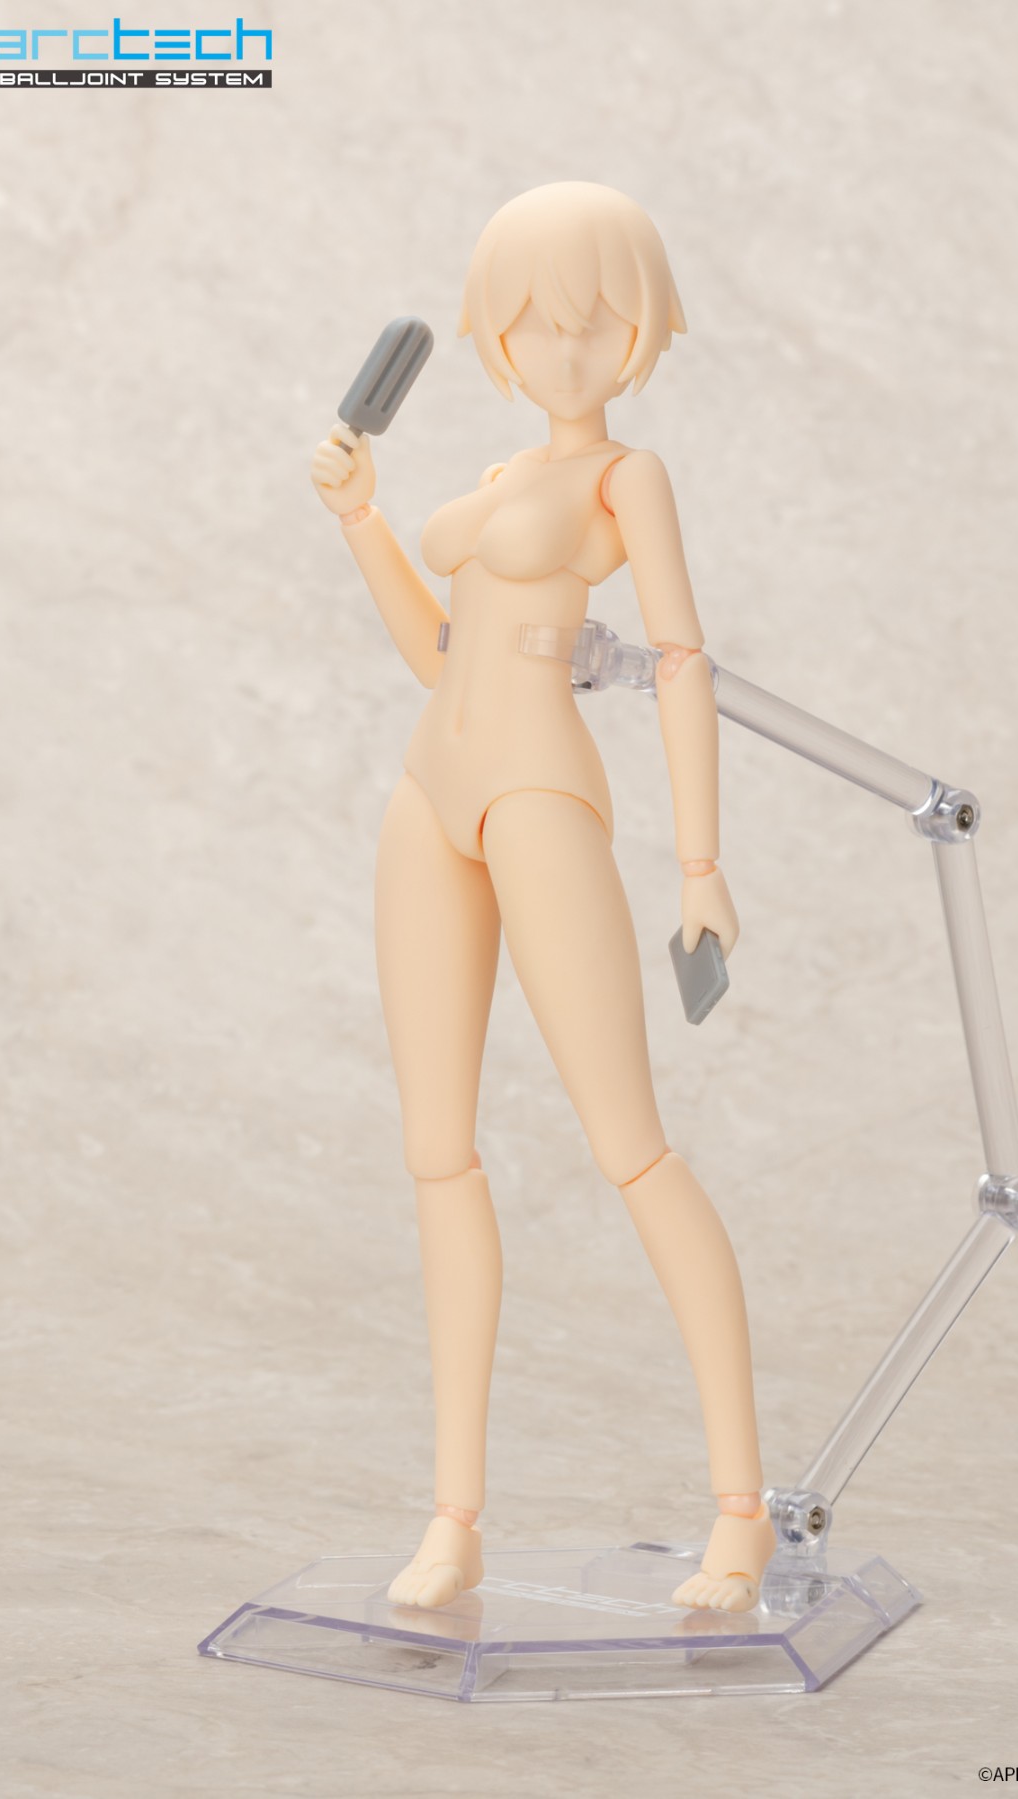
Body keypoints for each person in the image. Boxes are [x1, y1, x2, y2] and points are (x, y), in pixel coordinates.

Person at [310, 182, 776, 1612]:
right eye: (531, 324)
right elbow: (439, 651)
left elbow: (682, 661)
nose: (564, 351)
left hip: (537, 795)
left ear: (640, 330)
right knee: (437, 1155)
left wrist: (700, 862)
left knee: (630, 1147)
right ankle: (454, 1519)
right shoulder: (503, 472)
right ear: (493, 332)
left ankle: (742, 1513)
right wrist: (361, 519)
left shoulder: (626, 479)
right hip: (430, 789)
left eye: (596, 323)